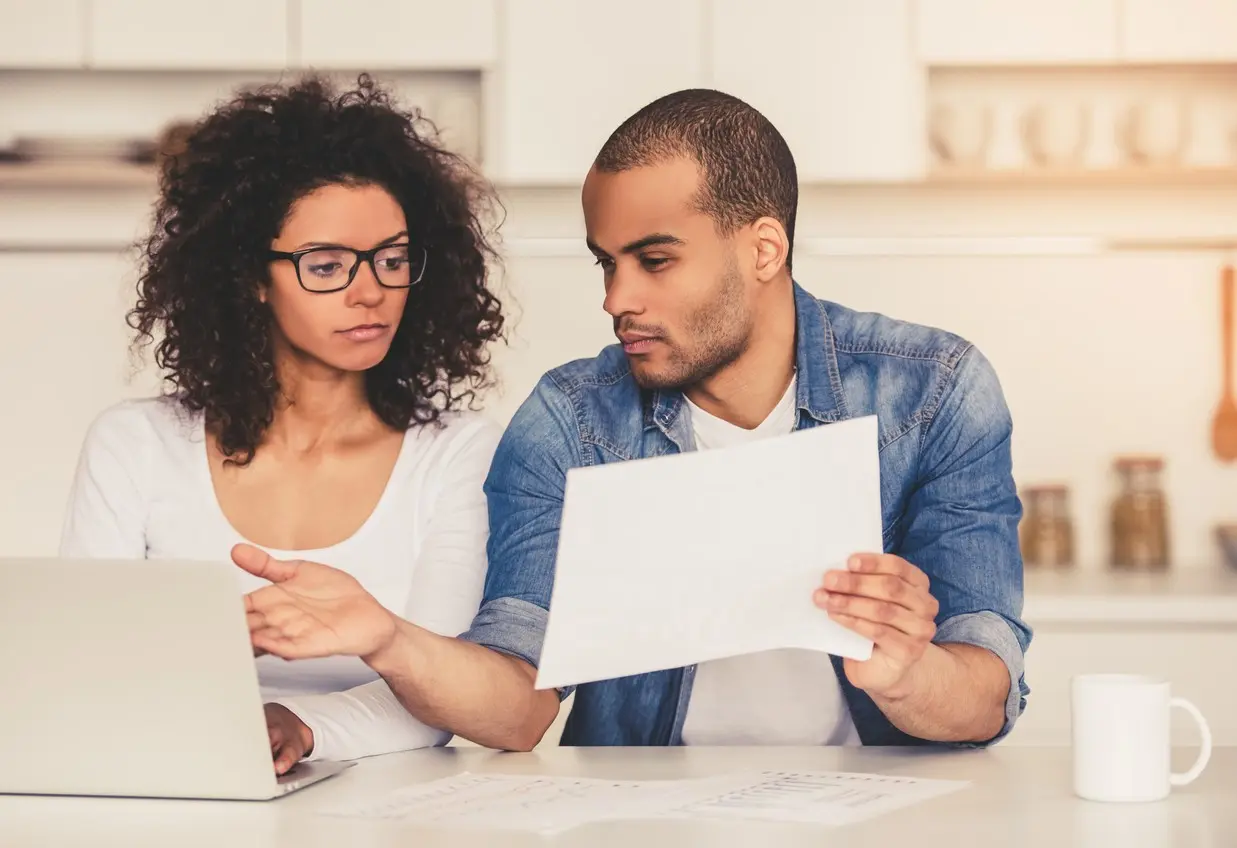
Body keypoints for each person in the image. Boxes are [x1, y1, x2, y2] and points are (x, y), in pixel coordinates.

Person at [236, 88, 1031, 750]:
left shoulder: (933, 390)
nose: (617, 300)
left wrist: (904, 671)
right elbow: (518, 703)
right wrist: (384, 636)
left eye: (654, 261)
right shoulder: (569, 422)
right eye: (605, 264)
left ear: (763, 249)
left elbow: (983, 693)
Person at [58, 73, 506, 772]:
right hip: (179, 784)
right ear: (249, 277)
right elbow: (84, 669)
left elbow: (436, 692)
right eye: (325, 265)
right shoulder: (135, 446)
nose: (370, 291)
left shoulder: (457, 454)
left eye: (391, 259)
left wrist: (301, 724)